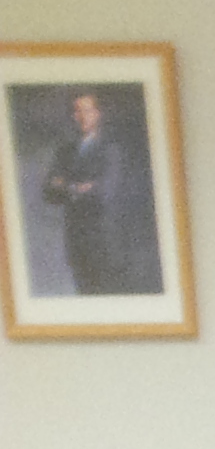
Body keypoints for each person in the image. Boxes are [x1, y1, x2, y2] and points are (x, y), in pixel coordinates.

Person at [37, 89, 139, 295]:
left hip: (106, 240)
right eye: (77, 111)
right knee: (84, 293)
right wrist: (80, 187)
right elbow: (49, 193)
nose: (82, 116)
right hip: (76, 240)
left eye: (88, 110)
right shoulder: (65, 152)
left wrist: (66, 185)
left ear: (98, 113)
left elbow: (105, 191)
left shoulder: (111, 149)